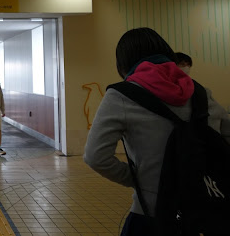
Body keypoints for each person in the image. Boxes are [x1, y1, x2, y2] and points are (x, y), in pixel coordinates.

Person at [83, 27, 230, 235]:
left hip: (151, 214)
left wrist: (138, 179)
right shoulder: (201, 93)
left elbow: (95, 156)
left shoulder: (120, 96)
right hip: (205, 210)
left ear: (123, 64)